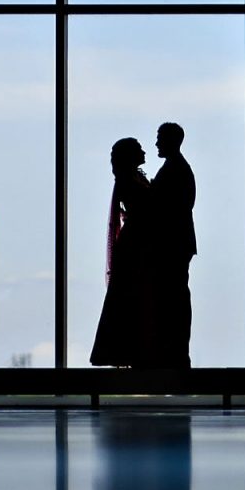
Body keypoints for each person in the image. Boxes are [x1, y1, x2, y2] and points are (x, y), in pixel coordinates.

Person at [88, 138, 152, 367]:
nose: (144, 151)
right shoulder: (130, 181)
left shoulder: (130, 179)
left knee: (129, 296)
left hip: (135, 241)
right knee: (131, 295)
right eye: (139, 149)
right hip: (136, 243)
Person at [138, 122, 197, 370]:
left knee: (174, 299)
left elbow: (168, 207)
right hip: (176, 243)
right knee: (174, 298)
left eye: (160, 138)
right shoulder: (177, 169)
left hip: (172, 244)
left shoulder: (176, 170)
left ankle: (176, 354)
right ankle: (174, 352)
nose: (156, 144)